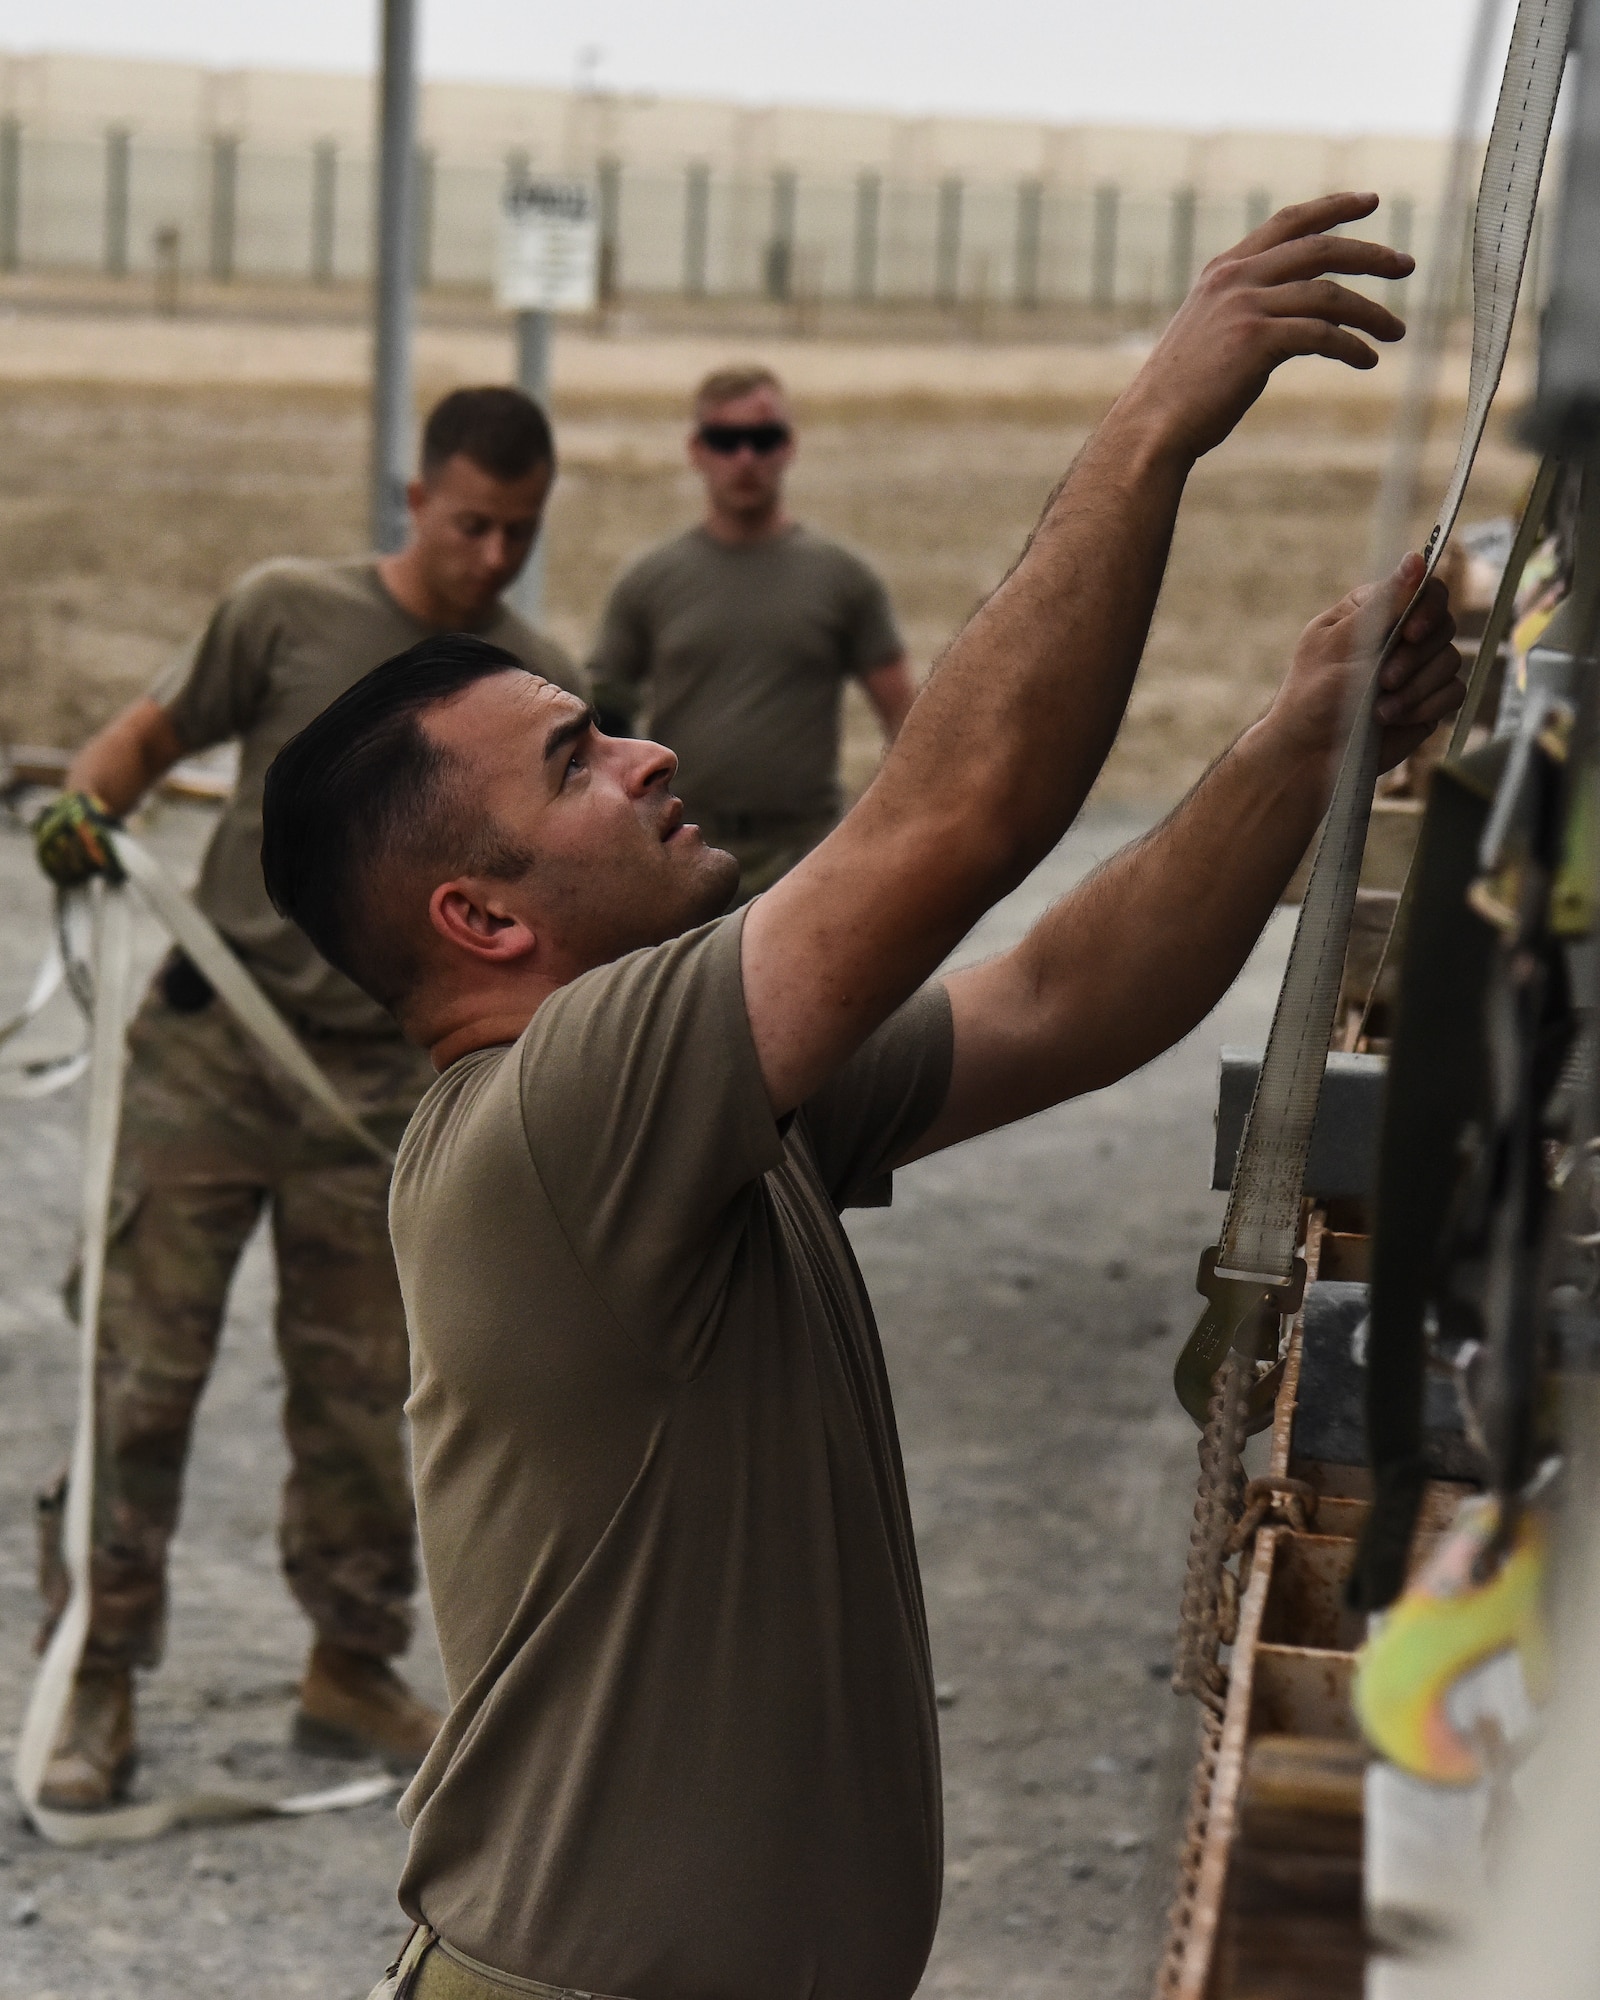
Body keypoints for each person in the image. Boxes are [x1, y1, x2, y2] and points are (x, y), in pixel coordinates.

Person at [259, 196, 1461, 2000]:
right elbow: (958, 815)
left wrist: (1298, 740)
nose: (651, 750)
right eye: (583, 761)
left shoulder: (687, 1101)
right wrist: (1151, 429)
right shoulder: (558, 1116)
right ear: (483, 917)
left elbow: (1058, 999)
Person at [28, 385, 584, 1810]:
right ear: (416, 498)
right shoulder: (285, 612)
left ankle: (351, 1664)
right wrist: (82, 819)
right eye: (472, 524)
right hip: (214, 1057)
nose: (493, 560)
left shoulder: (526, 682)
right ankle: (94, 1670)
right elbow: (143, 742)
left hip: (383, 1095)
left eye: (520, 532)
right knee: (139, 1378)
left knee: (366, 1401)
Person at [588, 364, 918, 901]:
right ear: (697, 450)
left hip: (807, 860)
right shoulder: (648, 583)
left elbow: (907, 724)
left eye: (763, 440)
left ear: (788, 447)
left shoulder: (843, 580)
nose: (745, 458)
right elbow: (601, 723)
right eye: (726, 440)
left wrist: (885, 838)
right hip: (683, 853)